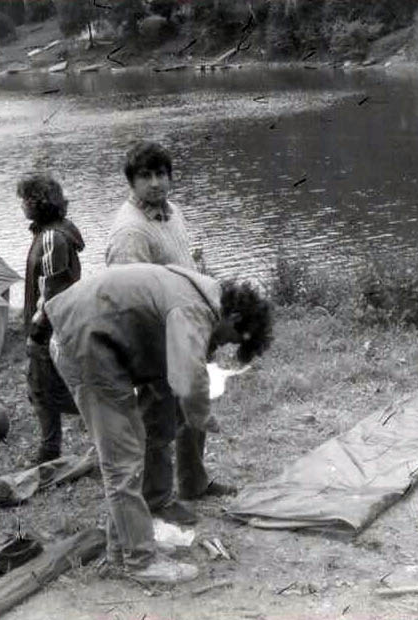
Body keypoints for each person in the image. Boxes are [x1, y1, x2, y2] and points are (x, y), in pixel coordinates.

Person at [43, 262, 272, 584]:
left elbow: (169, 369)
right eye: (231, 339)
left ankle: (123, 548)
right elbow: (188, 379)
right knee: (122, 460)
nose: (222, 346)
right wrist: (202, 416)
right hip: (84, 344)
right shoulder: (194, 308)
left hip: (98, 340)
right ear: (233, 318)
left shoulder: (203, 293)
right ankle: (138, 562)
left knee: (137, 444)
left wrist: (175, 416)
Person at [105, 140, 226, 526]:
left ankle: (194, 481)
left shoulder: (172, 212)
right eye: (146, 176)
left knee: (193, 404)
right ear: (132, 182)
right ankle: (157, 499)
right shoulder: (130, 231)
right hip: (157, 338)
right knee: (159, 420)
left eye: (161, 174)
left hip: (188, 328)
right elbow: (128, 298)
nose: (156, 183)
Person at [18, 172, 84, 464]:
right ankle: (50, 447)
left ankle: (50, 450)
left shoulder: (51, 238)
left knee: (45, 388)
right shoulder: (54, 232)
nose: (22, 206)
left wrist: (36, 329)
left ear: (37, 202)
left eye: (25, 200)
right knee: (42, 386)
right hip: (57, 325)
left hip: (51, 328)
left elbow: (52, 289)